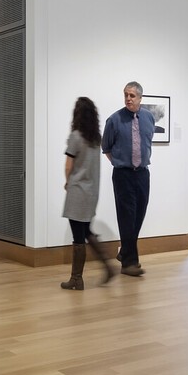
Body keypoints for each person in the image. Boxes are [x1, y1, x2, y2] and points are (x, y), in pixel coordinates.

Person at [59, 97, 115, 290]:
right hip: (92, 193)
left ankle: (77, 278)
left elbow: (69, 166)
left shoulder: (75, 137)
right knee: (86, 232)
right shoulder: (95, 139)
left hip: (77, 192)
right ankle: (107, 266)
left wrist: (67, 182)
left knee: (78, 236)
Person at [100, 81, 155, 277]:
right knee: (126, 216)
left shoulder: (149, 118)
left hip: (142, 174)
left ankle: (124, 252)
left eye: (132, 95)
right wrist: (119, 162)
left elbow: (148, 143)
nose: (128, 99)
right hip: (123, 174)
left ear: (140, 98)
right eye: (126, 95)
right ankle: (130, 263)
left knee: (139, 214)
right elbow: (105, 147)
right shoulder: (114, 120)